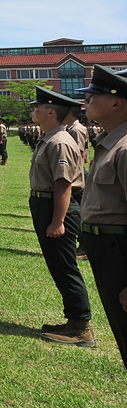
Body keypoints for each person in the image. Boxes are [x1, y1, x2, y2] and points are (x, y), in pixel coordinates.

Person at [23, 87, 95, 346]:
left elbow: (63, 185)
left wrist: (58, 221)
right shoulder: (50, 137)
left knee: (64, 267)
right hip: (46, 205)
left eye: (37, 106)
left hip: (56, 207)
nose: (34, 110)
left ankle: (80, 327)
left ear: (51, 111)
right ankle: (73, 320)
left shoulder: (60, 141)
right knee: (58, 265)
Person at [75, 67, 127, 375]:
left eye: (93, 96)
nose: (87, 101)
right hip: (107, 247)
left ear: (116, 103)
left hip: (118, 248)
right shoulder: (111, 141)